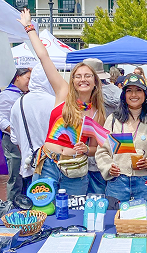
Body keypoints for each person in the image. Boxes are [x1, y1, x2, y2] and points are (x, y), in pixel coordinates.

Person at [18, 9, 106, 195]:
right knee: (42, 211)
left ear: (95, 81)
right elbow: (44, 57)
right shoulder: (63, 92)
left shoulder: (97, 112)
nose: (83, 79)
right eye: (78, 76)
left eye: (88, 76)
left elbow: (94, 148)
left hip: (74, 170)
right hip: (48, 164)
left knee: (73, 216)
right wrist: (29, 27)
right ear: (72, 80)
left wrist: (85, 149)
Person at [95, 74, 147, 202]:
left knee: (145, 221)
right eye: (129, 91)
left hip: (145, 183)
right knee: (115, 219)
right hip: (117, 183)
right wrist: (109, 167)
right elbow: (102, 151)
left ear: (145, 94)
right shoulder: (113, 120)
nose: (134, 95)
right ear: (124, 95)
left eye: (138, 90)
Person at [10, 64, 55, 191]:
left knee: (34, 205)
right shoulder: (56, 102)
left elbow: (15, 139)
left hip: (29, 165)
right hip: (54, 165)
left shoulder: (18, 104)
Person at [83, 58, 121, 194]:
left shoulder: (91, 97)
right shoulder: (118, 92)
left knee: (95, 199)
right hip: (116, 153)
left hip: (93, 157)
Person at [0, 68, 31, 200]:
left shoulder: (28, 95)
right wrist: (16, 133)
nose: (30, 82)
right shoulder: (5, 96)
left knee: (29, 173)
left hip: (29, 141)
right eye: (28, 78)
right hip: (13, 141)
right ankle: (13, 206)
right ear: (17, 77)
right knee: (16, 175)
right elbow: (0, 120)